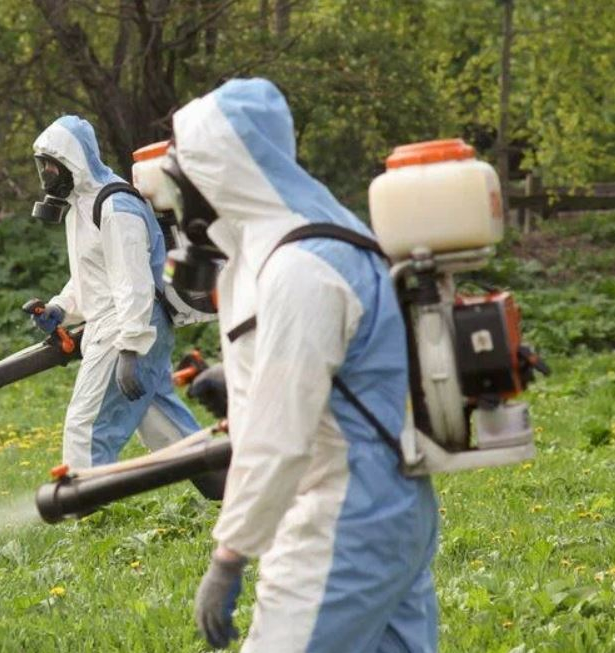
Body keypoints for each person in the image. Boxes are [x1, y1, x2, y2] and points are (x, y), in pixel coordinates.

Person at [164, 79, 439, 651]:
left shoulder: (298, 268)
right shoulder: (328, 234)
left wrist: (229, 556)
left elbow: (279, 438)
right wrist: (237, 371)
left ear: (221, 169)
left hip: (340, 517)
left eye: (186, 170)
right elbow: (336, 360)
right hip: (392, 505)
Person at [28, 115, 215, 483]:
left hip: (128, 324)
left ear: (73, 160)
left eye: (51, 164)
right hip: (125, 322)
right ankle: (223, 482)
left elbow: (134, 283)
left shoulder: (116, 207)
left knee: (86, 423)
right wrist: (60, 308)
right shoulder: (82, 204)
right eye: (43, 166)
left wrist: (130, 347)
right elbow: (95, 274)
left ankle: (84, 506)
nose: (47, 173)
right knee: (159, 420)